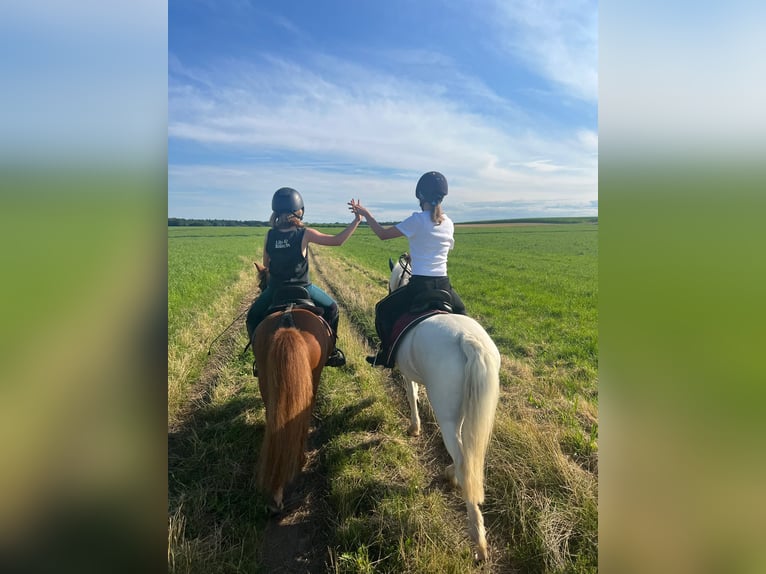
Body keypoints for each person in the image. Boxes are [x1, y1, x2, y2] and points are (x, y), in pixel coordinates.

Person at [348, 171, 466, 367]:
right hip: (444, 286)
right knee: (462, 313)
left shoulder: (416, 220)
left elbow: (383, 234)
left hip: (420, 287)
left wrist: (366, 214)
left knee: (382, 310)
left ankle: (386, 354)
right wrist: (416, 255)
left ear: (420, 196)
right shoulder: (449, 223)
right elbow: (437, 249)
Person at [246, 186, 362, 368]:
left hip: (275, 290)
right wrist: (357, 220)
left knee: (252, 316)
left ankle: (259, 361)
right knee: (332, 308)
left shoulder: (270, 235)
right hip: (303, 289)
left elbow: (266, 266)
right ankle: (331, 352)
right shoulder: (305, 234)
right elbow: (337, 240)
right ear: (299, 211)